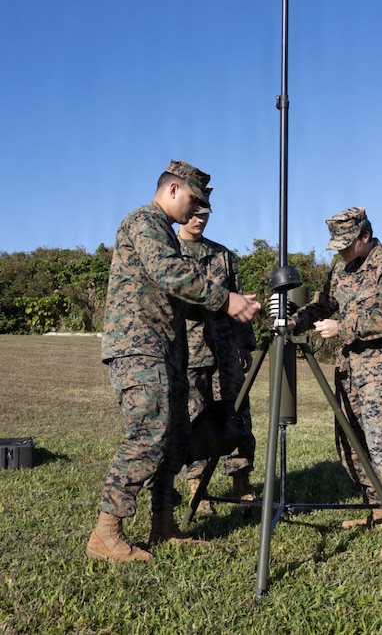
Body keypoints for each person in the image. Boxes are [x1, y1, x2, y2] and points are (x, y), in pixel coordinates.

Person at [85, 161, 260, 562]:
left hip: (167, 351)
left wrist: (233, 311)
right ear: (174, 189)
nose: (197, 211)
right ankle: (105, 532)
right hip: (140, 347)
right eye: (195, 200)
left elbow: (179, 294)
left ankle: (163, 524)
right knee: (147, 435)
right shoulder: (144, 221)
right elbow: (168, 272)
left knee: (173, 440)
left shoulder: (163, 230)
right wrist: (226, 299)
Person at [284, 207, 382, 562]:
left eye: (346, 244)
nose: (340, 251)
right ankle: (381, 512)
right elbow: (322, 304)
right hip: (352, 370)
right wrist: (296, 321)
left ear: (364, 235)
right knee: (353, 445)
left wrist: (342, 328)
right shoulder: (341, 270)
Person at [178, 196, 257, 514]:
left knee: (237, 416)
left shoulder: (224, 256)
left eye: (205, 214)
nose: (199, 219)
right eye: (194, 214)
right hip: (188, 351)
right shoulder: (170, 253)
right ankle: (199, 489)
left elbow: (238, 303)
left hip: (226, 352)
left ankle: (241, 482)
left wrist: (244, 344)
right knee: (194, 420)